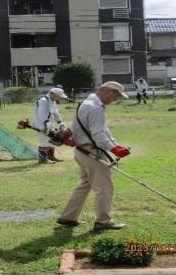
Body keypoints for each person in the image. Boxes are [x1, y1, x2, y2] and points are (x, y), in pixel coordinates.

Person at [57, 81, 130, 231]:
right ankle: (103, 221)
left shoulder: (86, 103)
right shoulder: (96, 108)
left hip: (81, 151)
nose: (115, 100)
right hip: (91, 152)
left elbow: (104, 130)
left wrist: (115, 145)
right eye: (115, 96)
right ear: (107, 91)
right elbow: (98, 135)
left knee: (85, 184)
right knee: (104, 187)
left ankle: (68, 217)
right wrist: (114, 150)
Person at [33, 87, 68, 163]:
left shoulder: (52, 101)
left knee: (53, 139)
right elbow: (42, 113)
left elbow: (55, 112)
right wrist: (45, 124)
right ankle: (42, 159)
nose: (60, 98)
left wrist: (60, 122)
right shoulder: (43, 100)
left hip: (49, 123)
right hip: (41, 123)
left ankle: (51, 157)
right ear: (54, 94)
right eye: (59, 96)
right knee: (44, 141)